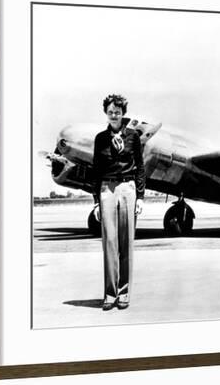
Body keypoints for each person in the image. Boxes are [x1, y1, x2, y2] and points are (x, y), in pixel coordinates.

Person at [91, 94, 145, 311]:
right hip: (107, 189)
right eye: (110, 111)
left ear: (123, 113)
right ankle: (109, 294)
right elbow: (96, 171)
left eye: (118, 111)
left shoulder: (133, 137)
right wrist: (96, 201)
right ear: (106, 113)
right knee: (110, 244)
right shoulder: (100, 139)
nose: (114, 115)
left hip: (128, 188)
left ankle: (124, 294)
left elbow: (140, 167)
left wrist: (140, 197)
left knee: (126, 244)